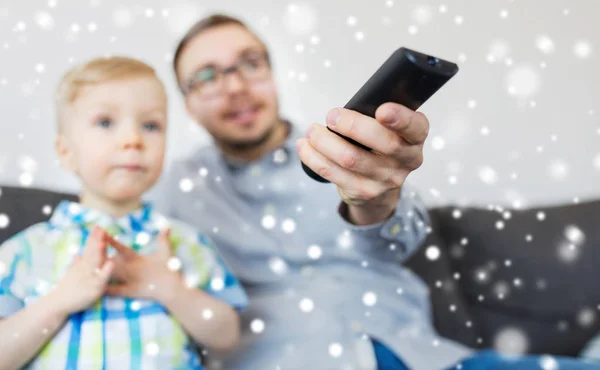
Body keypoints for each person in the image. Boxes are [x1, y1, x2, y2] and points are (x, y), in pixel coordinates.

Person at [157, 13, 600, 370]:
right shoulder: (176, 186)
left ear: (271, 72)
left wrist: (376, 201)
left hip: (420, 354)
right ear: (188, 105)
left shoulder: (342, 143)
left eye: (249, 63)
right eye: (208, 77)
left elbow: (405, 236)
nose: (234, 86)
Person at [0, 56, 247, 370]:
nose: (133, 139)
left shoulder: (183, 243)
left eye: (151, 125)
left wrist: (168, 288)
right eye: (105, 122)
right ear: (66, 152)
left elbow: (226, 335)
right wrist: (59, 301)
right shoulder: (26, 251)